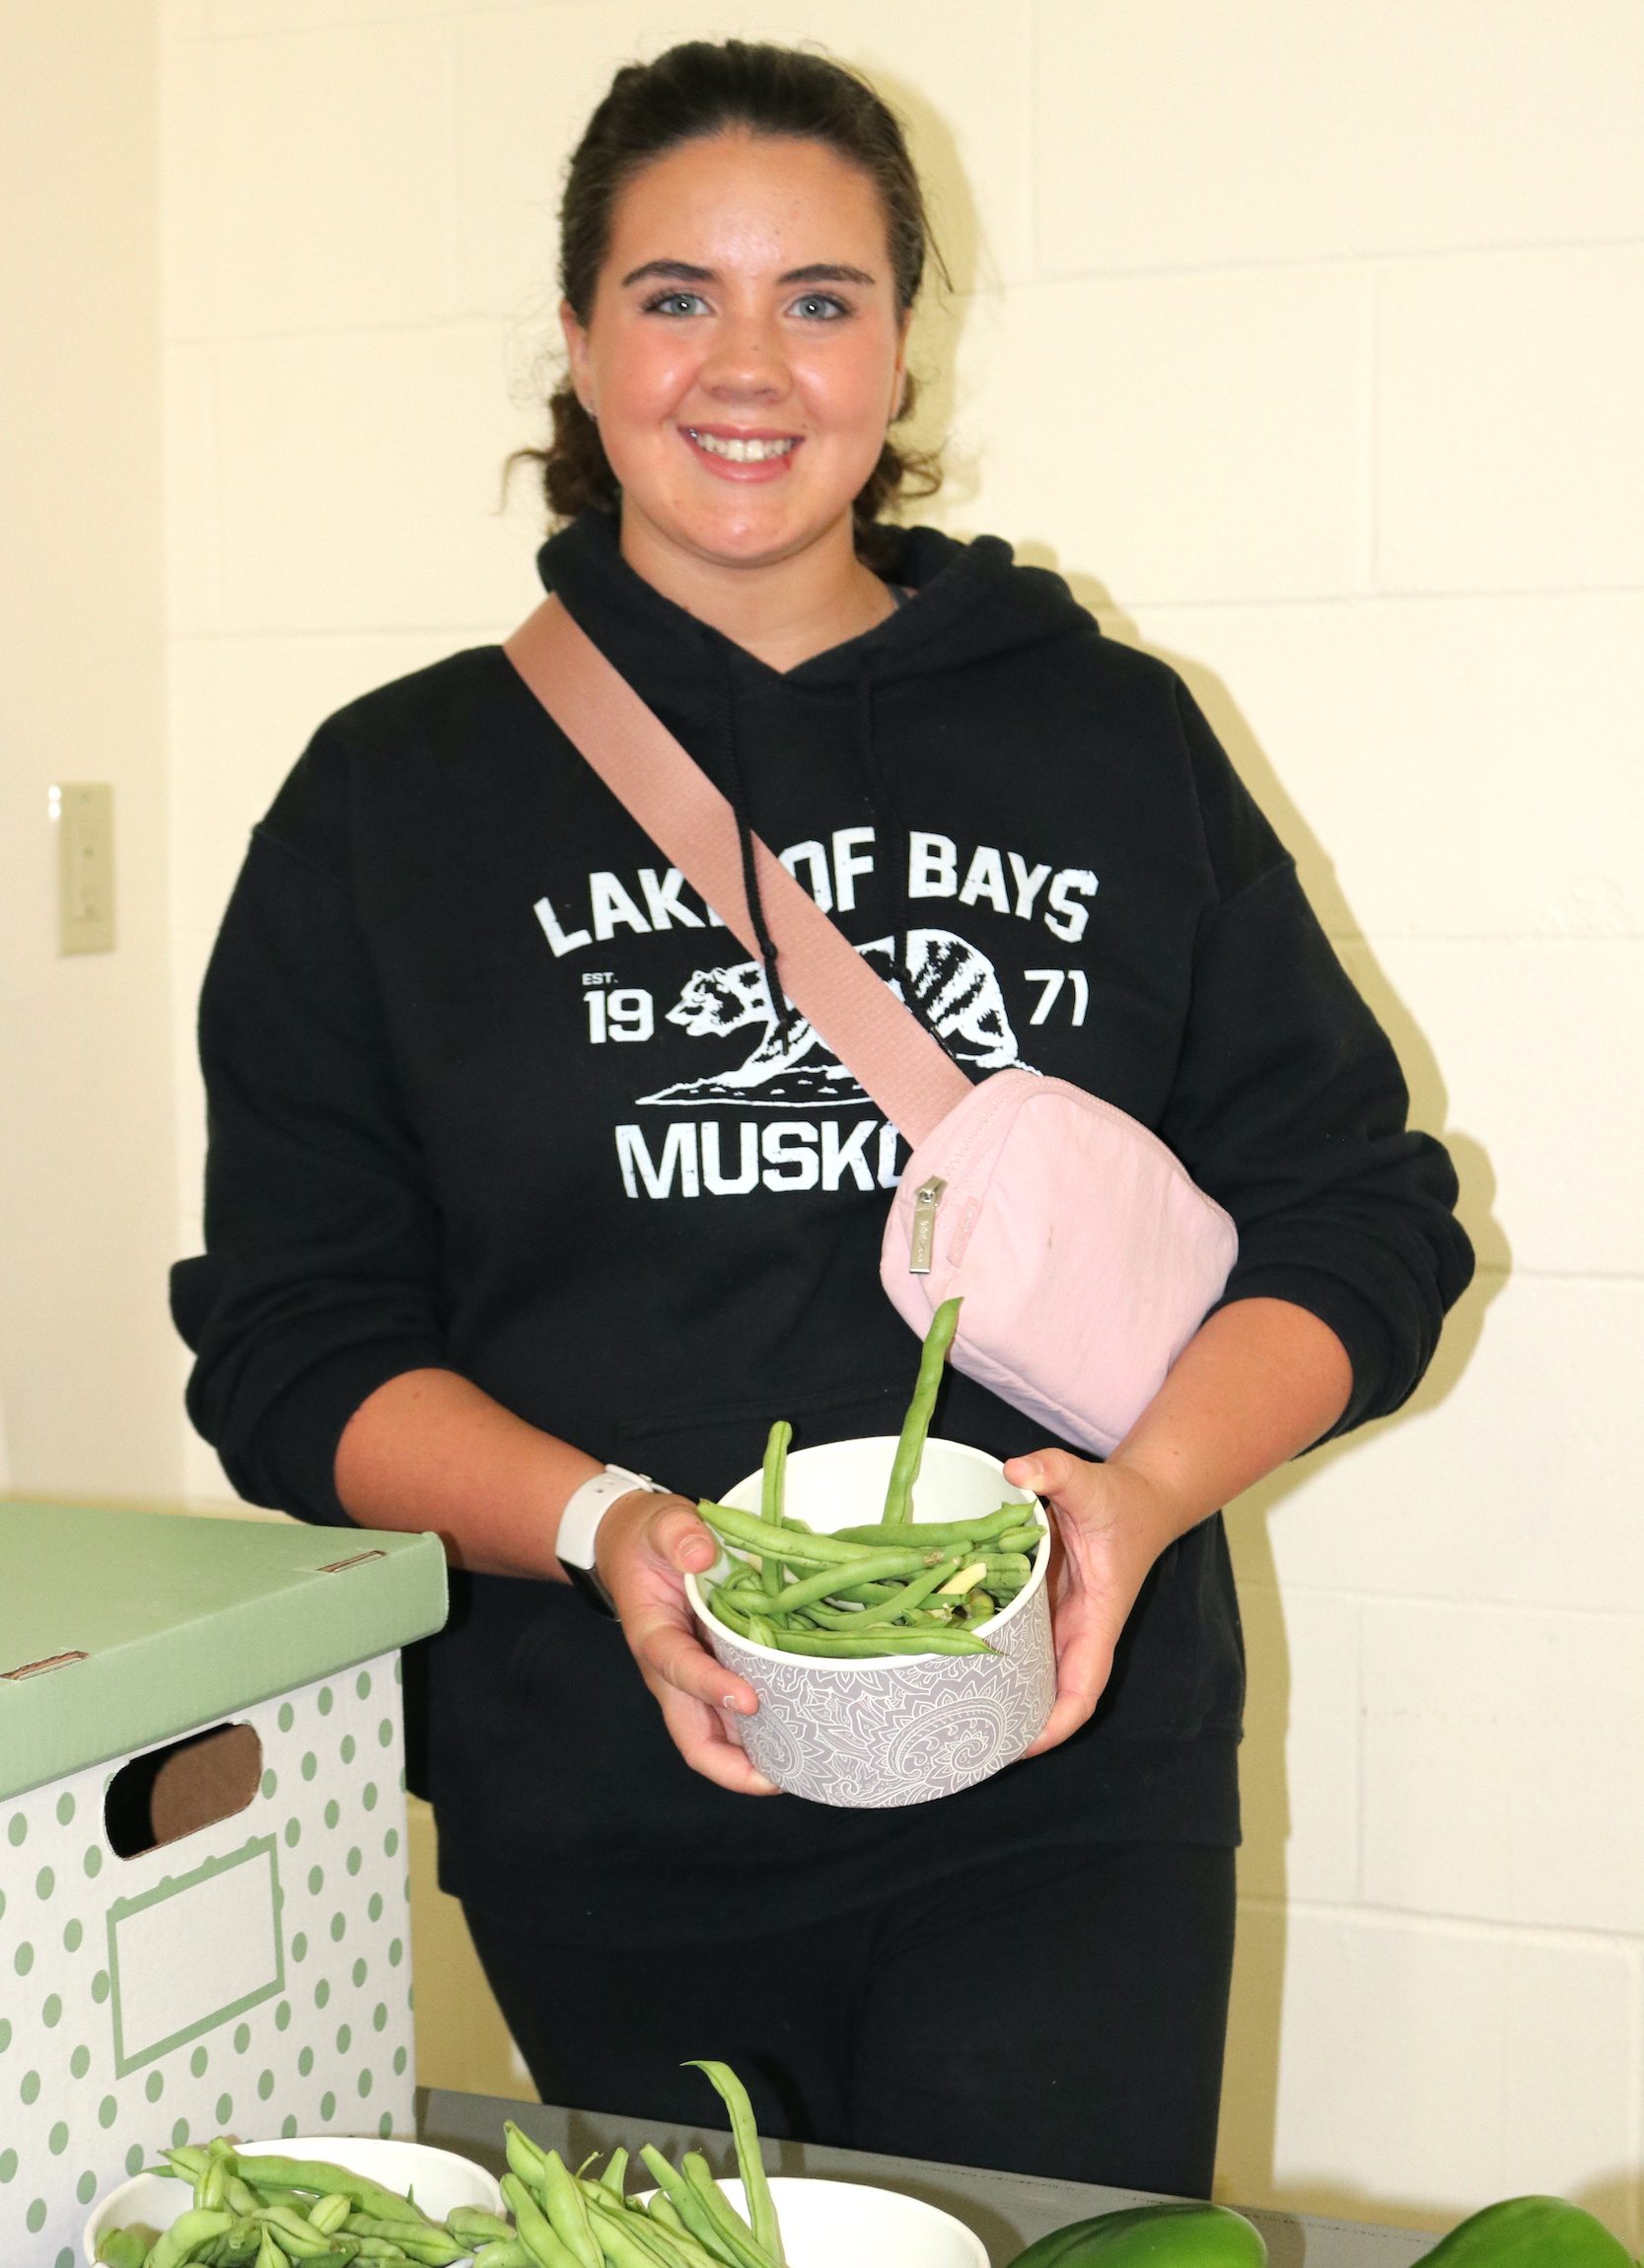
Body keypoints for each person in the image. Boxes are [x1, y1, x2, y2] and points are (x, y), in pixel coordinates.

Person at [172, 38, 1472, 2193]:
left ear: (898, 344)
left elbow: (1364, 1215)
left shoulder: (1109, 737)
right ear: (580, 340)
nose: (748, 366)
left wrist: (1137, 1500)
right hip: (605, 1789)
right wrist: (608, 1530)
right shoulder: (391, 800)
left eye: (823, 298)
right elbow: (293, 1344)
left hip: (1070, 1763)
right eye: (677, 295)